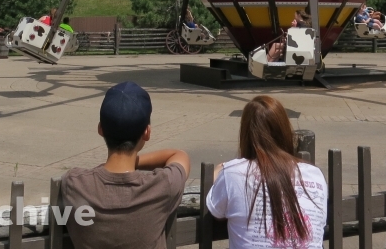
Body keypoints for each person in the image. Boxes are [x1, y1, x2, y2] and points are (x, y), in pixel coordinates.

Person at [60, 82, 189, 249]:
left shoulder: (74, 183)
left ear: (100, 129)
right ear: (147, 132)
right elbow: (179, 155)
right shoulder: (163, 185)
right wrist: (134, 161)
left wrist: (113, 162)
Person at [206, 95, 327, 249]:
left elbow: (217, 212)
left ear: (246, 134)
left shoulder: (232, 173)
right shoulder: (315, 174)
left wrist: (217, 174)